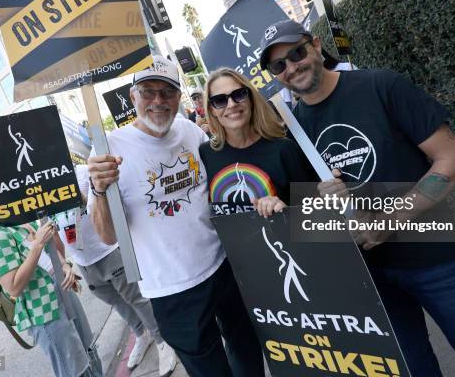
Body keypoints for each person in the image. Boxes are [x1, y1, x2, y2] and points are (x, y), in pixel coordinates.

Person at [259, 19, 455, 377]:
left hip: (436, 259)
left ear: (317, 47)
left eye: (297, 53)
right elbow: (315, 209)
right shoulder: (296, 128)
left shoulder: (380, 85)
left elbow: (454, 160)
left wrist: (388, 221)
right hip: (371, 276)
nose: (291, 67)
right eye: (279, 65)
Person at [87, 56, 264, 377]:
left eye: (167, 92)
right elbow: (108, 236)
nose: (158, 101)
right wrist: (99, 190)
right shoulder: (108, 151)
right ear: (133, 97)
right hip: (170, 290)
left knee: (247, 350)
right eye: (148, 91)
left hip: (223, 266)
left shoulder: (188, 131)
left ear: (179, 97)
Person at [53, 165, 174, 371]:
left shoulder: (84, 172)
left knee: (136, 297)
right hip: (85, 262)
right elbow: (52, 231)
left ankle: (162, 340)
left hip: (108, 250)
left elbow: (100, 207)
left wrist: (74, 194)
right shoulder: (40, 191)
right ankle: (141, 334)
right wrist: (64, 263)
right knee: (115, 301)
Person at [0, 192, 102, 377]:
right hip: (44, 313)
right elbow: (13, 287)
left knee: (90, 351)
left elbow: (50, 253)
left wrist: (65, 266)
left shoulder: (22, 223)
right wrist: (37, 244)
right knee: (75, 370)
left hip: (64, 294)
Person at [199, 67, 317, 219]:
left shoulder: (284, 150)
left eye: (239, 94)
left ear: (251, 99)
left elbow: (316, 220)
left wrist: (285, 211)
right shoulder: (205, 154)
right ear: (212, 109)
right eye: (219, 100)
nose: (232, 104)